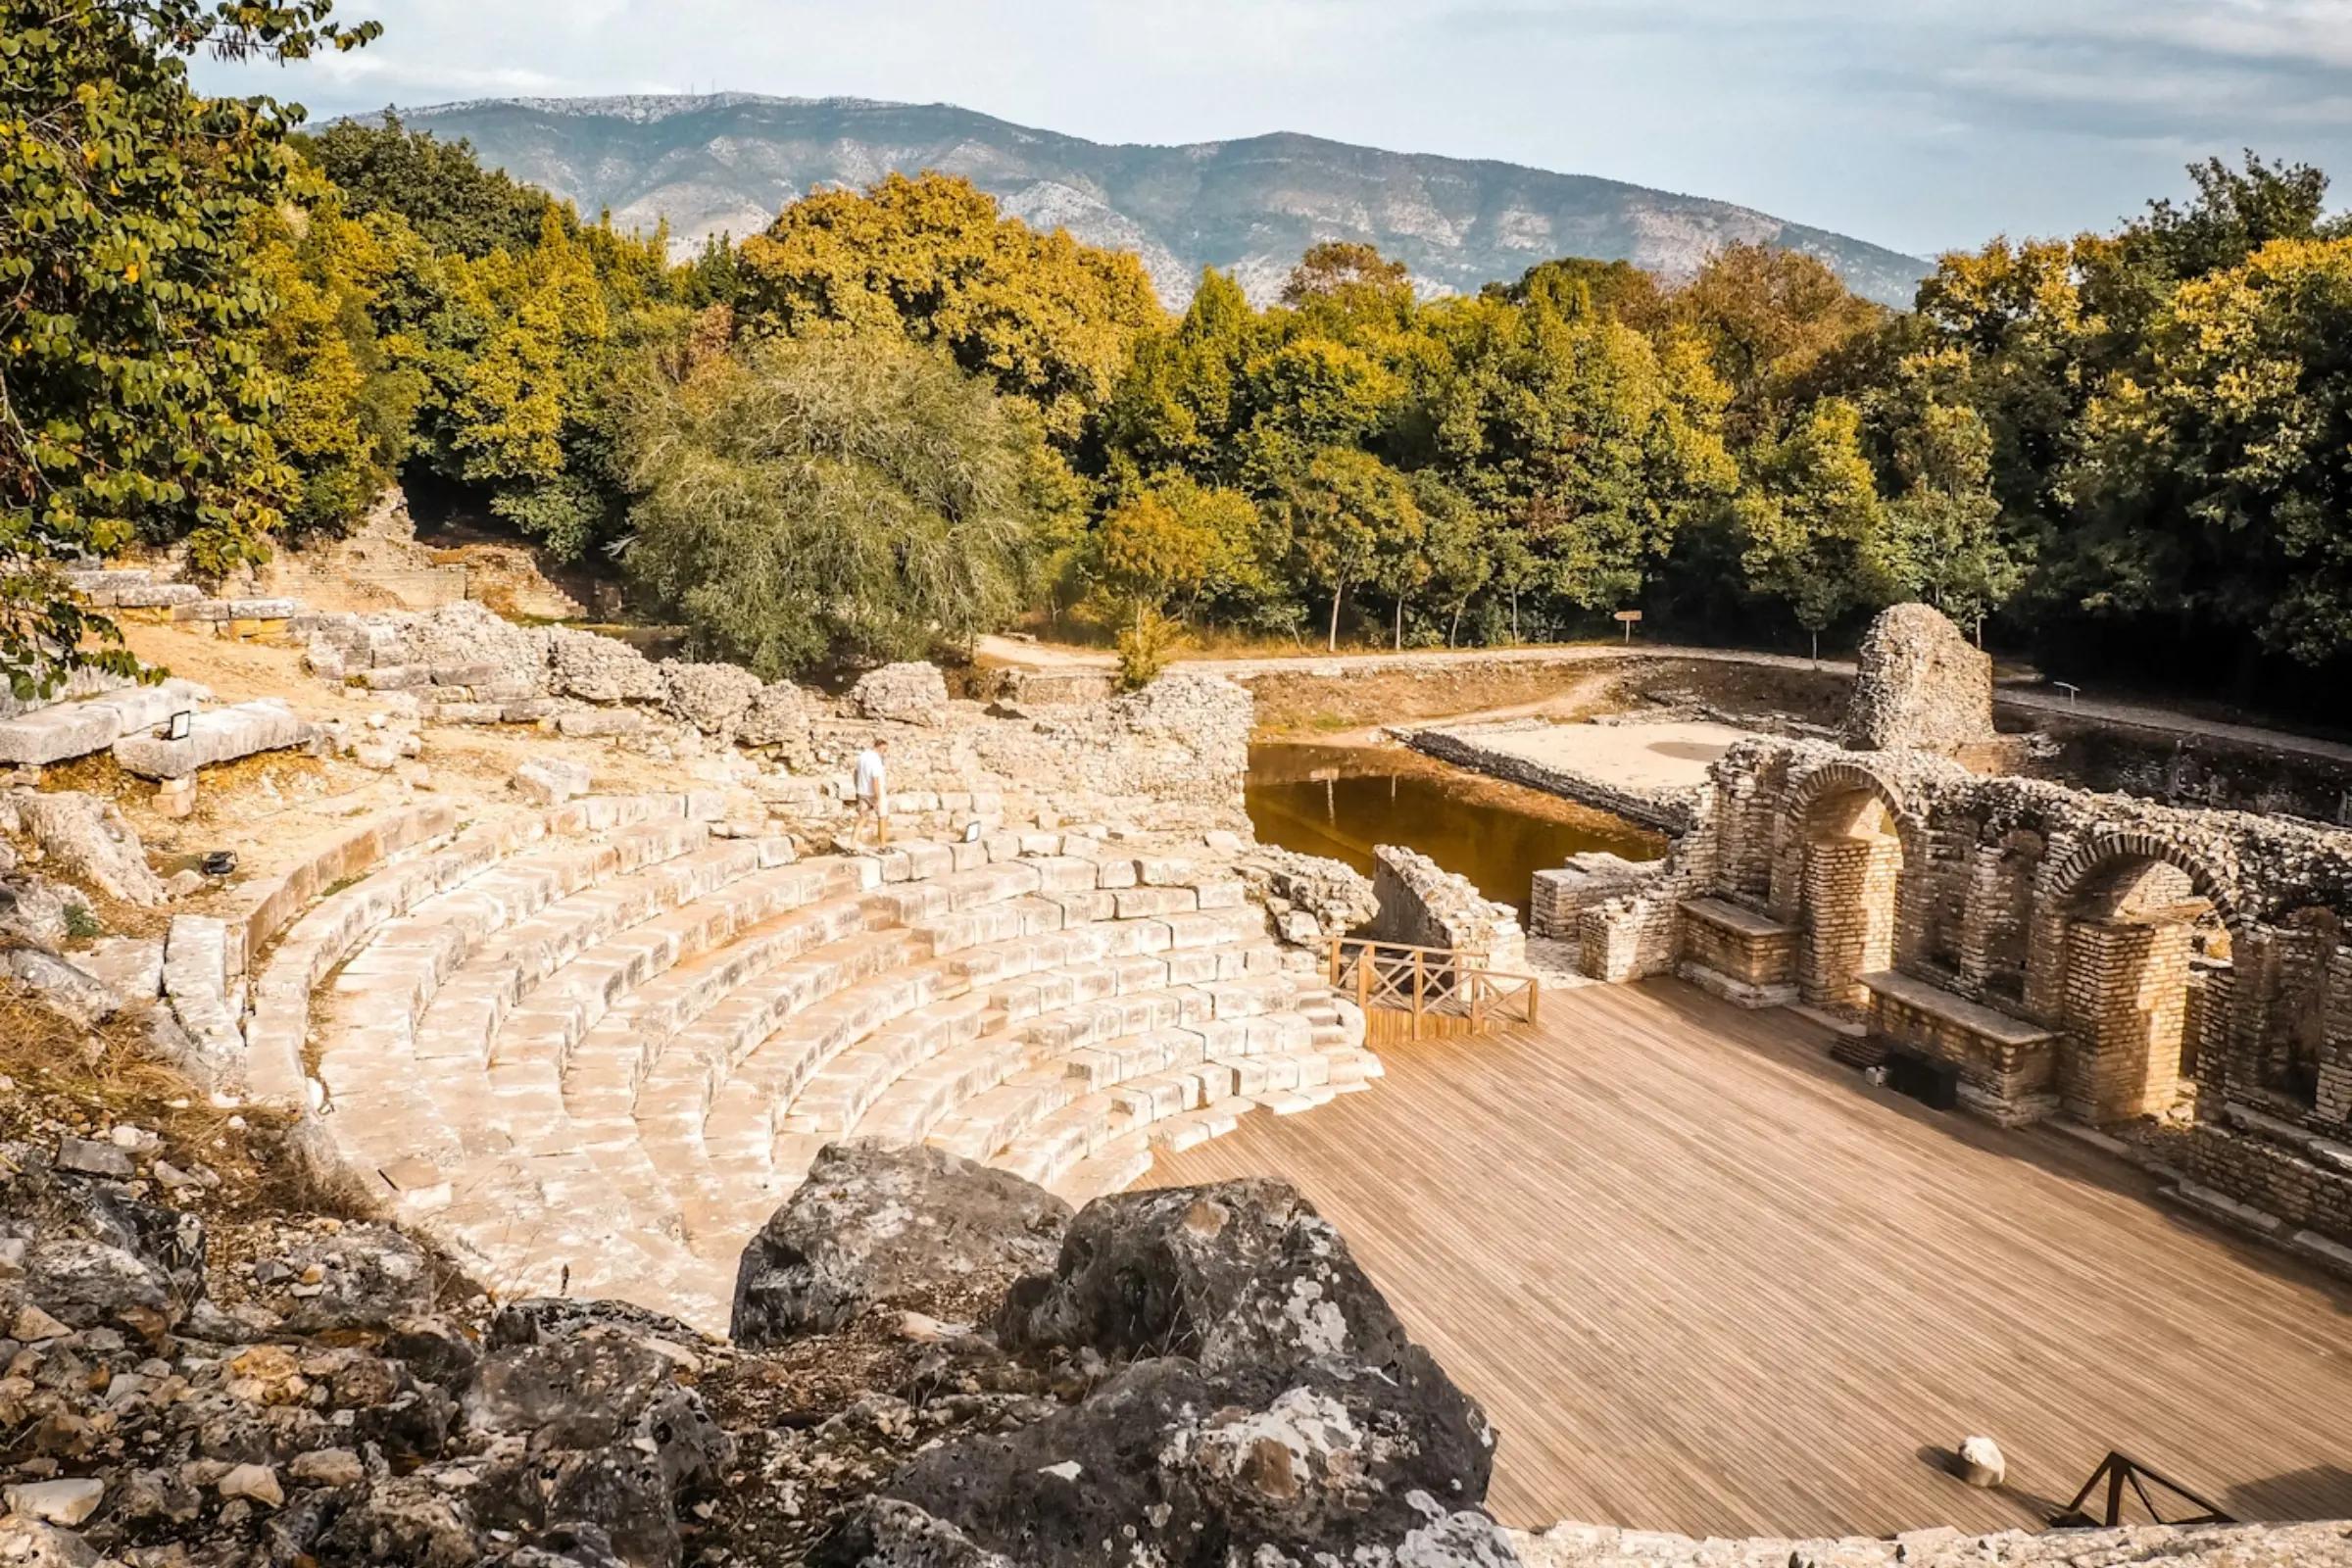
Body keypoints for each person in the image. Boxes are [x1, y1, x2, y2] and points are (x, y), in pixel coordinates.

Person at [852, 737, 889, 846]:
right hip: (874, 793)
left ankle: (852, 845)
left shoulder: (862, 756)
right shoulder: (876, 760)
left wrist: (857, 790)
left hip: (862, 792)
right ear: (880, 748)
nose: (884, 753)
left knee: (862, 818)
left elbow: (855, 773)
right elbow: (875, 780)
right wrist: (877, 799)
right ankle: (883, 846)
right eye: (884, 750)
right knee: (883, 817)